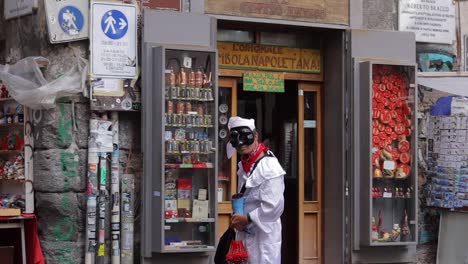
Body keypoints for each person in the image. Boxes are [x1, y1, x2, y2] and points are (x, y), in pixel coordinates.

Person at [227, 116, 285, 264]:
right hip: (244, 235)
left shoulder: (270, 167)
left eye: (245, 136)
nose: (240, 144)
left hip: (263, 239)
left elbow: (274, 206)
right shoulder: (244, 165)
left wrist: (248, 218)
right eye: (235, 138)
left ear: (256, 136)